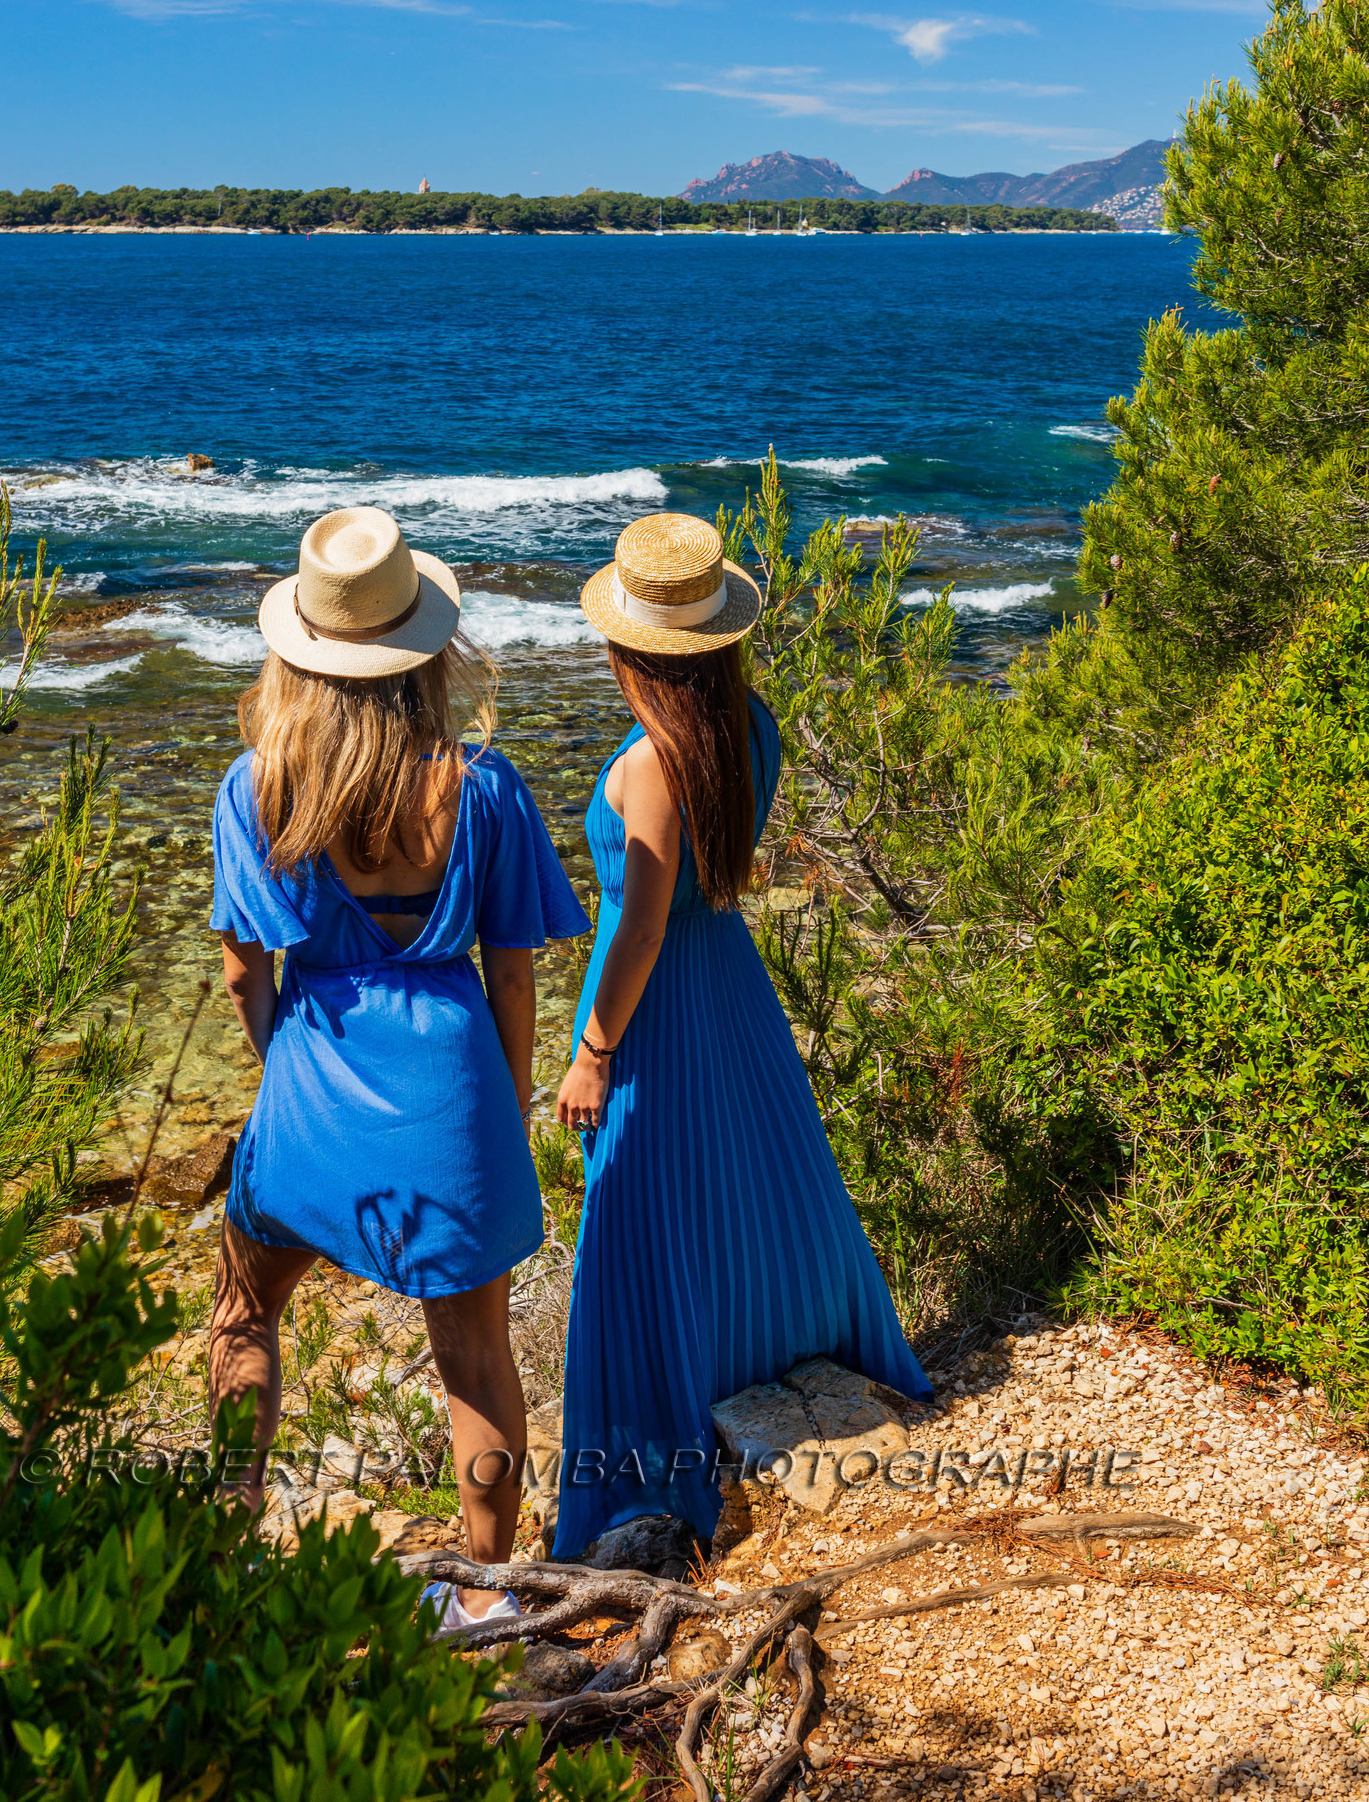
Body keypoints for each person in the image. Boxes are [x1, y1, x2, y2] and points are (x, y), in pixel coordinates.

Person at [206, 505, 588, 1626]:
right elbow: (511, 974)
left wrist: (288, 1072)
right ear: (425, 652)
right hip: (455, 1084)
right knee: (475, 1357)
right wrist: (504, 1113)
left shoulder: (259, 785)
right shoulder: (484, 786)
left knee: (243, 1309)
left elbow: (242, 971)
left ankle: (223, 1558)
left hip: (313, 1078)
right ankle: (488, 1600)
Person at [553, 510, 931, 1560]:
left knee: (639, 1205)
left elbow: (636, 922)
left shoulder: (646, 764)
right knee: (749, 1180)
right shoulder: (745, 724)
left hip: (661, 996)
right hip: (730, 975)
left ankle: (647, 1438)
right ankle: (764, 1352)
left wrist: (591, 1049)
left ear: (631, 645)